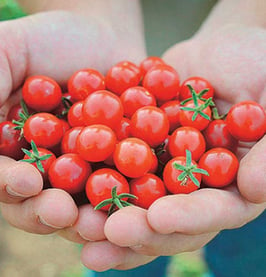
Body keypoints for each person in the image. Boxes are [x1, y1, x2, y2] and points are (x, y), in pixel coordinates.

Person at [0, 0, 265, 276]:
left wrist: (254, 19)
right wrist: (84, 9)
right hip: (118, 26)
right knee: (123, 245)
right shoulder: (104, 130)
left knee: (249, 248)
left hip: (236, 54)